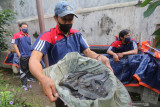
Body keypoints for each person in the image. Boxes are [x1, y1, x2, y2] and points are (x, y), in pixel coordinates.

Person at [29, 1, 113, 106]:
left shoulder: (77, 35)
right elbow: (34, 60)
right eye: (64, 19)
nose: (68, 22)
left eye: (70, 19)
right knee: (63, 104)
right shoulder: (48, 36)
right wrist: (43, 78)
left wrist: (99, 57)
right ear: (56, 18)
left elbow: (87, 51)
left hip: (79, 78)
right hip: (60, 83)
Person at [11, 23, 35, 88]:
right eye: (24, 27)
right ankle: (24, 84)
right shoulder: (16, 35)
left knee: (29, 67)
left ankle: (29, 78)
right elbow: (15, 45)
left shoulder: (28, 36)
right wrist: (19, 54)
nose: (25, 28)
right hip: (23, 55)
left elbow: (29, 45)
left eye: (26, 27)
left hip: (29, 55)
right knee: (23, 70)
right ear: (20, 28)